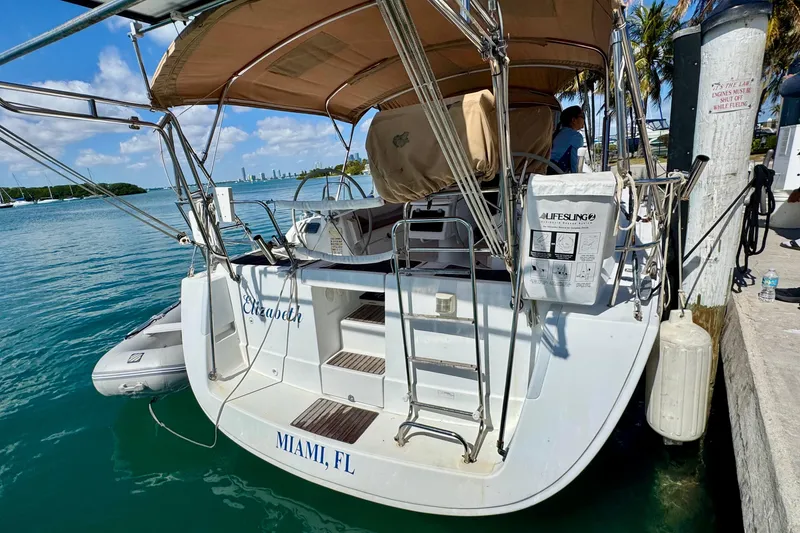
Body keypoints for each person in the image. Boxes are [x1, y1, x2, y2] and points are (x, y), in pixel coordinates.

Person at [550, 106, 585, 173]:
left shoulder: (558, 133)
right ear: (573, 120)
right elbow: (574, 163)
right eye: (582, 116)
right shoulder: (576, 136)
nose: (584, 119)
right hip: (556, 172)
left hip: (548, 169)